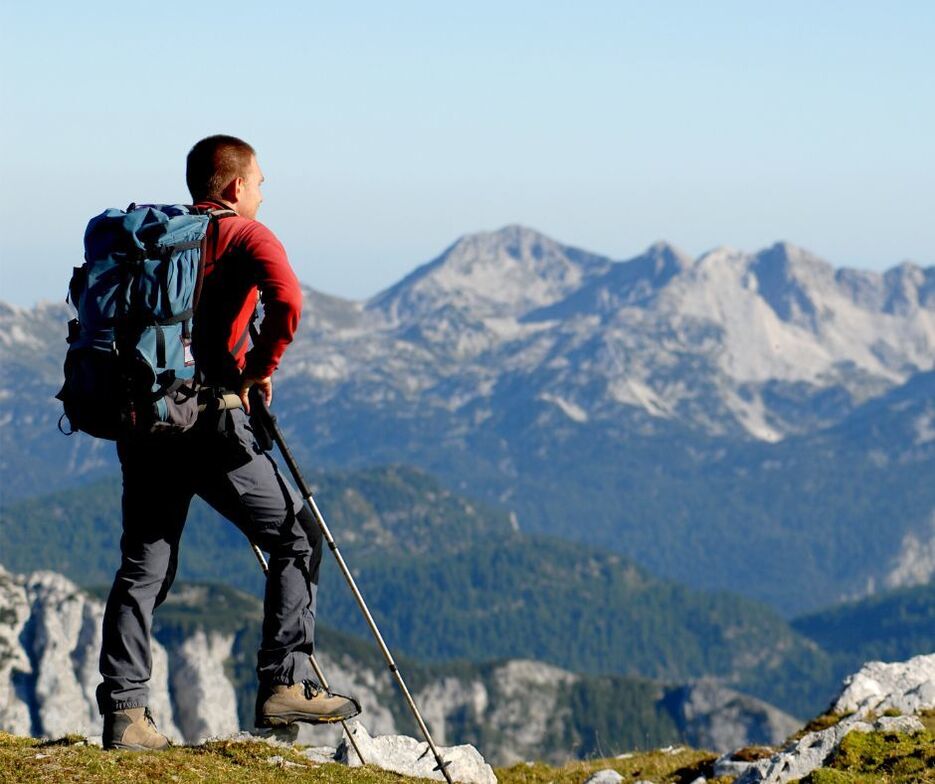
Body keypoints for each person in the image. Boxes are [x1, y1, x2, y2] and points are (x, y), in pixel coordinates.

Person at [96, 135, 360, 750]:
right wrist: (260, 366)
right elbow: (288, 301)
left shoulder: (161, 239)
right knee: (297, 534)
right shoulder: (247, 235)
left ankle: (126, 714)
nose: (263, 192)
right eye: (261, 182)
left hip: (148, 421)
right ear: (236, 186)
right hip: (214, 424)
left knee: (143, 566)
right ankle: (284, 682)